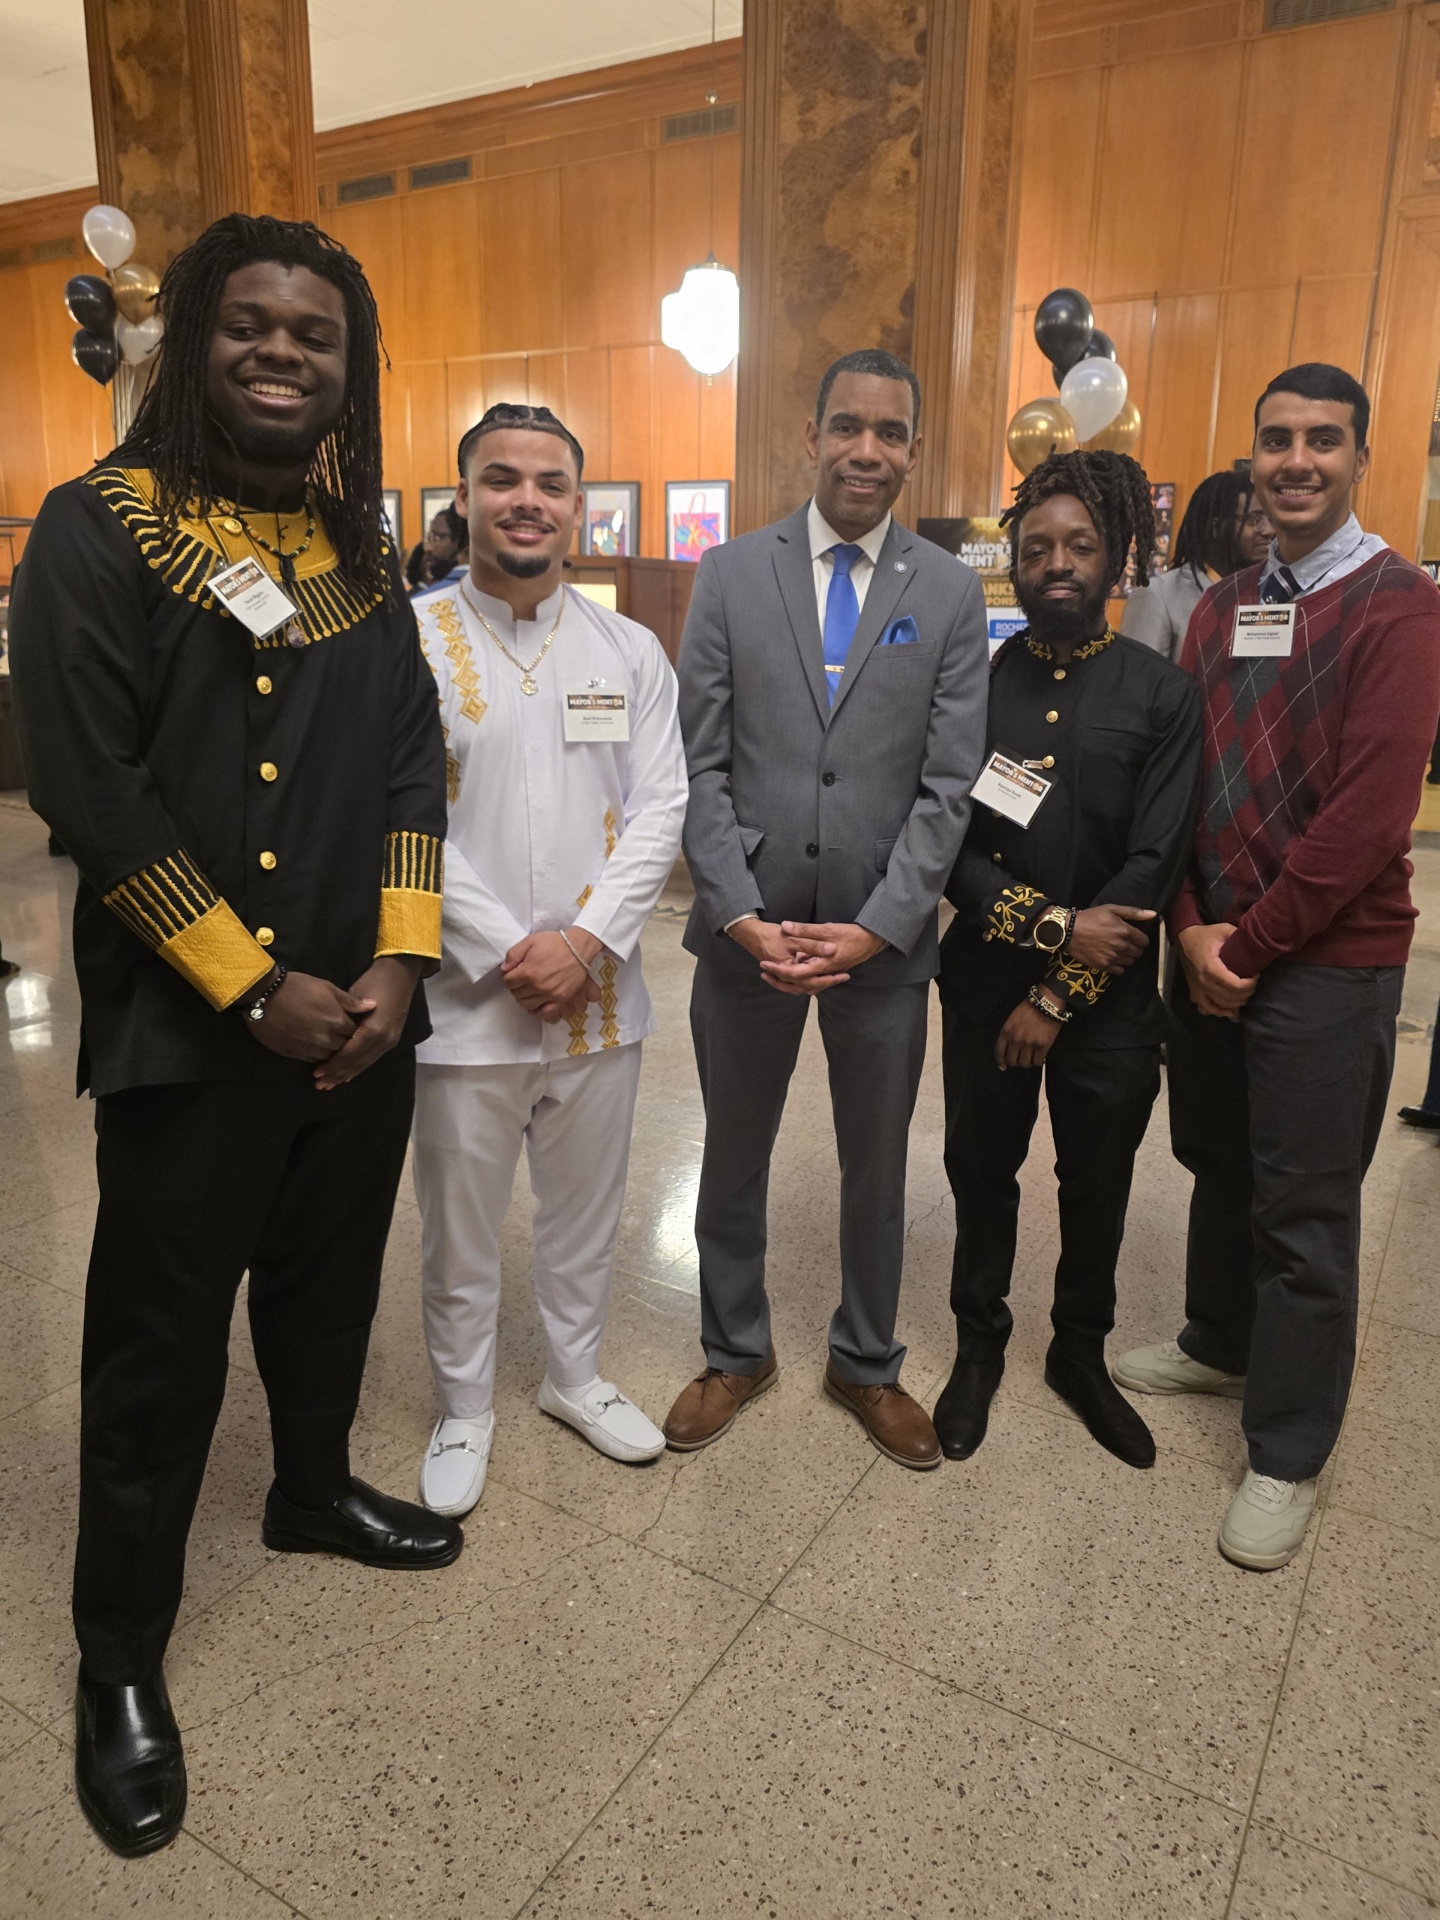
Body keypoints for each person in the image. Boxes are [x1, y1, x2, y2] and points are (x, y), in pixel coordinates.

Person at [8, 214, 459, 1858]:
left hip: (362, 1021)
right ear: (195, 336)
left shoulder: (356, 550)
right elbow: (89, 786)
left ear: (352, 371)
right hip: (202, 1030)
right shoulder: (99, 526)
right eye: (250, 324)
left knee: (332, 1288)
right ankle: (118, 1654)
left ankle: (311, 1487)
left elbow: (412, 768)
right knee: (158, 1345)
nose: (283, 352)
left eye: (316, 336)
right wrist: (249, 981)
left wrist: (398, 972)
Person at [1115, 363, 1440, 1569]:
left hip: (1322, 957)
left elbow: (1370, 815)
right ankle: (1216, 1339)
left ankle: (1289, 1448)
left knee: (1305, 1208)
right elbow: (1186, 777)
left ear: (1360, 456)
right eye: (1276, 440)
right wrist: (1191, 925)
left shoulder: (1399, 604)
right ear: (1251, 456)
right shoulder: (1221, 606)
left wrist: (1243, 948)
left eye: (1323, 440)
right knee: (1215, 1160)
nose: (1296, 459)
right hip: (1212, 944)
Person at [663, 348, 989, 1470]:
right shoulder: (729, 574)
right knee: (734, 1153)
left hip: (880, 941)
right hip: (745, 932)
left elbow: (952, 785)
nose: (867, 450)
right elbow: (696, 767)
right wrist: (742, 911)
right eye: (847, 426)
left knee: (878, 1163)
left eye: (890, 432)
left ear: (912, 449)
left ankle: (867, 1361)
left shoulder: (948, 591)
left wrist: (884, 922)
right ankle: (733, 1348)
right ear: (810, 437)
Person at [411, 403, 686, 1513]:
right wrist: (501, 947)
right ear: (464, 498)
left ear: (580, 506)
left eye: (550, 483)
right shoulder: (409, 641)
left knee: (586, 1211)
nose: (526, 499)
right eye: (501, 479)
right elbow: (397, 815)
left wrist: (583, 944)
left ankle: (575, 1376)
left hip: (599, 1001)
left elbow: (662, 804)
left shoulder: (628, 649)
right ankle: (464, 1404)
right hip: (459, 1003)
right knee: (460, 1224)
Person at [935, 450, 1202, 1468]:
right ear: (1013, 560)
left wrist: (1057, 990)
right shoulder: (977, 685)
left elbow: (1153, 863)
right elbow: (946, 842)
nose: (1057, 561)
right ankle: (978, 1346)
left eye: (1079, 545)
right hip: (981, 983)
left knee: (1096, 1179)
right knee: (979, 1167)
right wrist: (1047, 934)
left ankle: (1078, 1353)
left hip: (1114, 1001)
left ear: (1117, 557)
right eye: (1037, 545)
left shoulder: (1164, 694)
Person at [1120, 469, 1272, 662]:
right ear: (1216, 526)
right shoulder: (1158, 595)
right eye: (1253, 520)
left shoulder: (1269, 592)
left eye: (1271, 519)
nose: (1269, 531)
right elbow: (1137, 680)